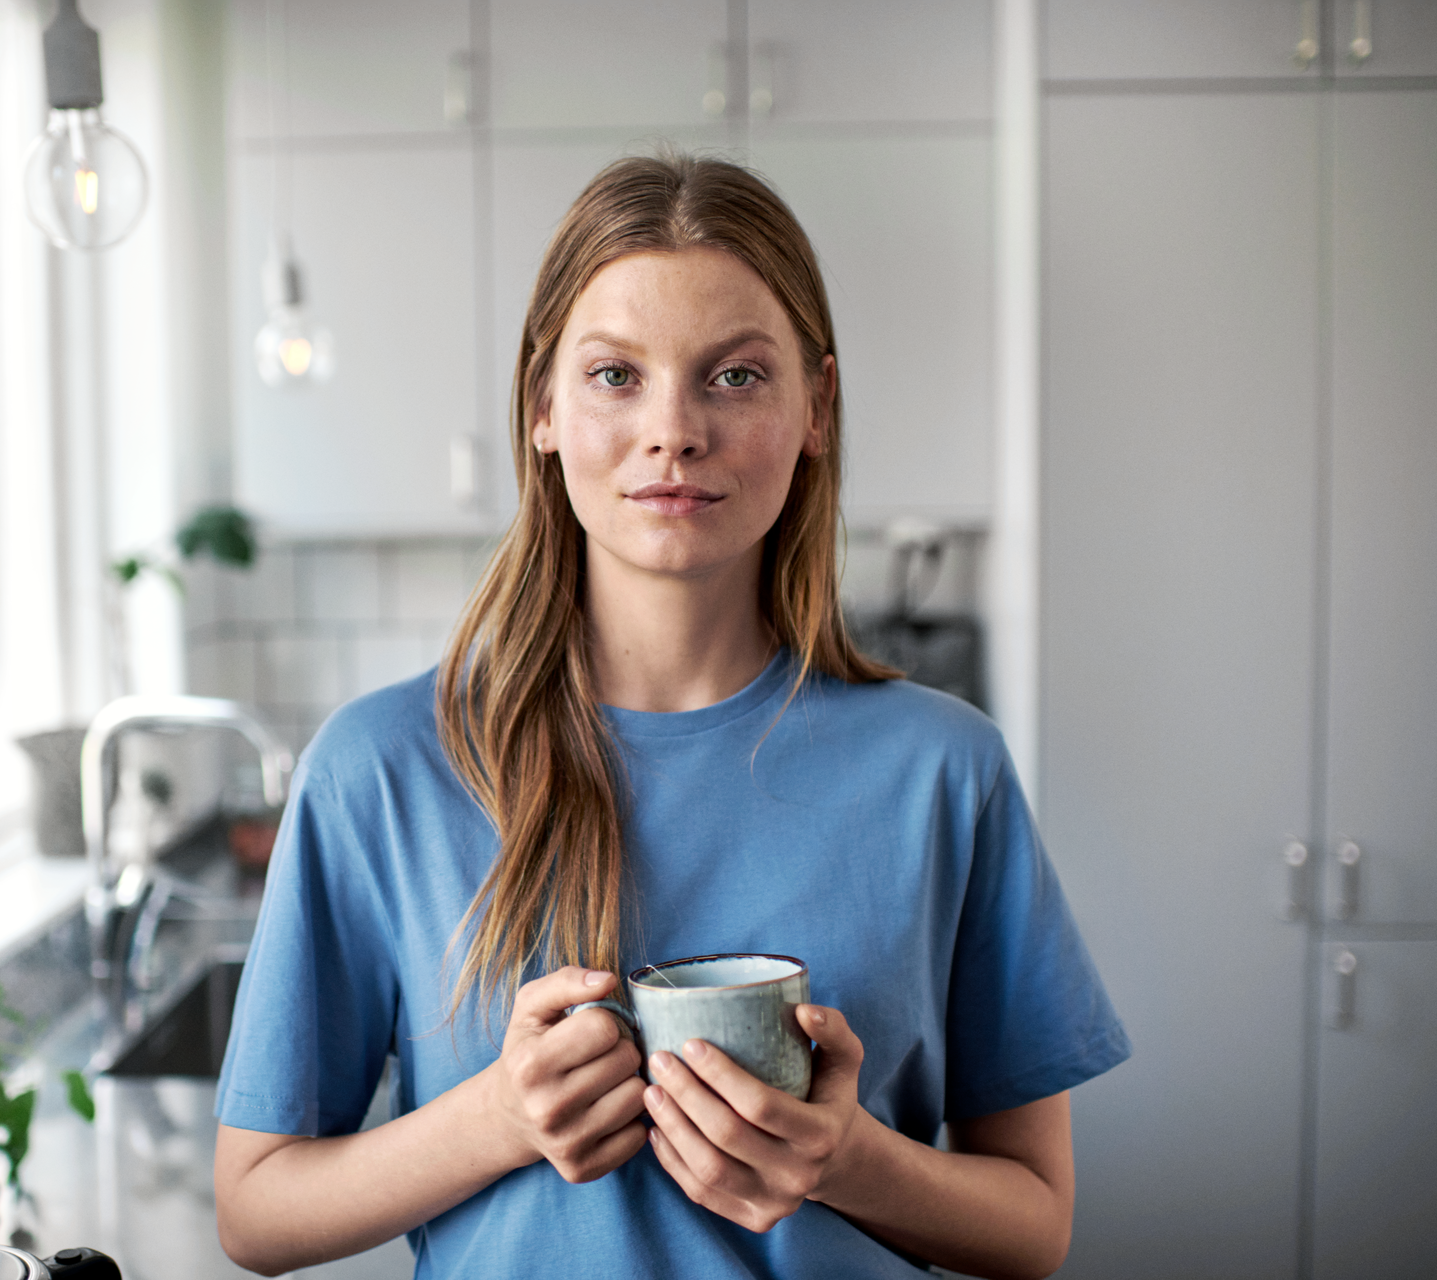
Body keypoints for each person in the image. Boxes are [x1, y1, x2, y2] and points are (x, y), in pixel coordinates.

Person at [212, 153, 1129, 1280]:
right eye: (614, 375)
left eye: (735, 376)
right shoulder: (379, 768)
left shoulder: (947, 771)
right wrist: (494, 1118)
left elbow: (1034, 1225)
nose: (673, 429)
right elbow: (255, 1210)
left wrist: (848, 1159)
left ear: (817, 410)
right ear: (541, 407)